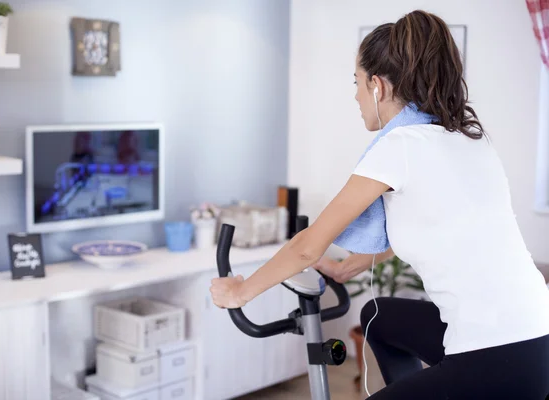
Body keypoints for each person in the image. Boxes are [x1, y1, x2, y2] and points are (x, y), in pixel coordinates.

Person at [209, 9, 549, 399]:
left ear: (377, 86)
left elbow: (307, 246)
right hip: (537, 336)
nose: (355, 96)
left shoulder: (398, 146)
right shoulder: (468, 139)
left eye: (356, 83)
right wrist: (350, 264)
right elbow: (441, 226)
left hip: (496, 355)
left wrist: (240, 291)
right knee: (377, 317)